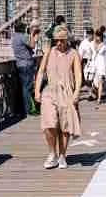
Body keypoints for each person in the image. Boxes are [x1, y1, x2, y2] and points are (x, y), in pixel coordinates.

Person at [35, 26, 82, 169]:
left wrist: (76, 93)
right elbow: (41, 71)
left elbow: (79, 75)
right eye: (57, 40)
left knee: (65, 126)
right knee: (49, 124)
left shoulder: (73, 54)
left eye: (62, 40)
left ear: (67, 40)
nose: (59, 43)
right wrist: (37, 91)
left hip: (67, 92)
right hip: (50, 91)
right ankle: (52, 153)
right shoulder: (49, 52)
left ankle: (62, 155)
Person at [11, 22, 39, 116]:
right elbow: (32, 46)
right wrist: (32, 35)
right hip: (27, 64)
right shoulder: (23, 36)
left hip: (19, 64)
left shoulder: (14, 38)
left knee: (23, 87)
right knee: (27, 88)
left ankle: (20, 109)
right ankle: (28, 109)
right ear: (22, 29)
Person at [86, 31, 106, 107]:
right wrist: (88, 62)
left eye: (99, 36)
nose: (97, 38)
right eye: (96, 36)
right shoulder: (91, 43)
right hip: (93, 64)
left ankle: (99, 98)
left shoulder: (105, 45)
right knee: (91, 81)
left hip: (101, 64)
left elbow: (103, 54)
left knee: (100, 82)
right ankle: (94, 94)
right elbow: (90, 54)